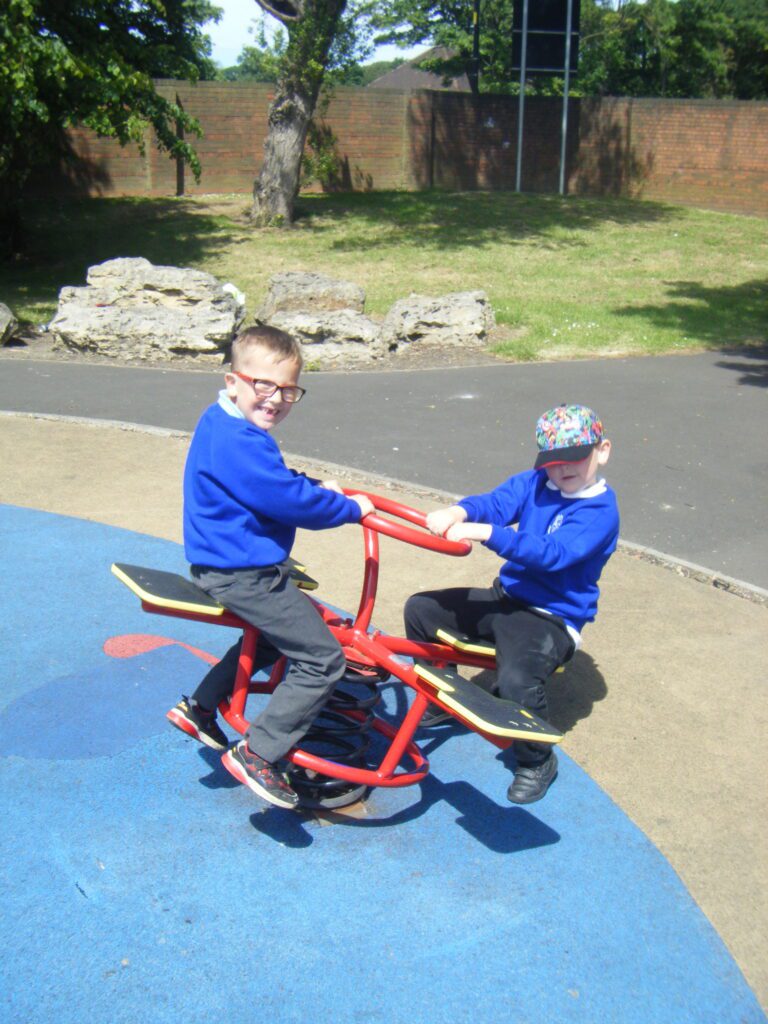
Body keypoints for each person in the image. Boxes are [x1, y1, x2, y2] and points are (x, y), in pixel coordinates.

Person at [167, 324, 374, 810]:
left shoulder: (220, 422)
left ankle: (201, 706)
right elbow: (286, 500)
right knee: (323, 659)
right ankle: (259, 753)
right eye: (264, 385)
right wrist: (350, 508)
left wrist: (310, 484)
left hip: (220, 563)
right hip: (244, 573)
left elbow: (269, 481)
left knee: (270, 638)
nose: (276, 399)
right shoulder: (243, 441)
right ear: (232, 380)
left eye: (288, 390)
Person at [404, 404, 619, 805]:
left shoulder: (600, 512)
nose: (562, 469)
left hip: (551, 618)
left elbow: (552, 553)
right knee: (421, 610)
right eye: (553, 461)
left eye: (575, 458)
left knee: (517, 681)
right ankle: (438, 697)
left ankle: (537, 760)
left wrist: (487, 533)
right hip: (506, 598)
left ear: (602, 451)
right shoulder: (537, 482)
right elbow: (499, 502)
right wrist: (460, 510)